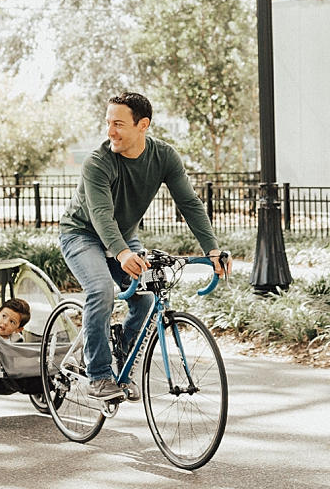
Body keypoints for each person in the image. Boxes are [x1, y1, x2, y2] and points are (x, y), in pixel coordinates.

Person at [59, 92, 228, 402]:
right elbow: (101, 215)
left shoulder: (164, 157)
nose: (110, 131)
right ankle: (99, 375)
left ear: (143, 125)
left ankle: (123, 353)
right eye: (108, 123)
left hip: (123, 237)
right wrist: (123, 253)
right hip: (82, 234)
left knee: (148, 298)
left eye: (118, 124)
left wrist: (212, 249)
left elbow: (189, 203)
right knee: (101, 289)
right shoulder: (98, 162)